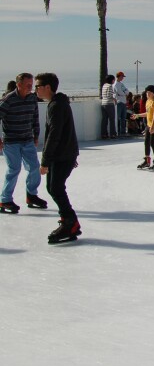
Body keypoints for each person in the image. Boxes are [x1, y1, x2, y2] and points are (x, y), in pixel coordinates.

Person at [34, 73, 82, 243]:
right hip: (63, 154)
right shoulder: (57, 103)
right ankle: (69, 222)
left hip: (61, 155)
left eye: (38, 86)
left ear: (48, 87)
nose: (36, 90)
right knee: (53, 188)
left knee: (55, 188)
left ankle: (70, 223)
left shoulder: (57, 105)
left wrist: (45, 161)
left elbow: (55, 134)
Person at [0, 72, 47, 213]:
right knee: (14, 169)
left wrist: (36, 135)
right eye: (27, 85)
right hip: (11, 142)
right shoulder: (8, 100)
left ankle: (31, 196)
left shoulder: (32, 98)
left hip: (27, 140)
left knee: (34, 167)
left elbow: (35, 117)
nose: (30, 88)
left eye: (31, 85)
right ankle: (5, 200)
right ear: (18, 85)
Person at [131, 85, 154, 169]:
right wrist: (137, 115)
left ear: (153, 93)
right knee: (146, 142)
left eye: (149, 92)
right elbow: (148, 114)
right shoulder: (148, 101)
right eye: (146, 92)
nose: (147, 94)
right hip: (149, 125)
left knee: (153, 142)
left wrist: (152, 127)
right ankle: (147, 160)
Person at [100, 74, 117, 139]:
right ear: (112, 80)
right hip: (109, 104)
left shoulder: (104, 85)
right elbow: (109, 95)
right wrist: (114, 99)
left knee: (104, 119)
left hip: (103, 103)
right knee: (112, 119)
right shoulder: (110, 86)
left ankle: (104, 134)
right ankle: (113, 134)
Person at [113, 71, 129, 137]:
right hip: (119, 102)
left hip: (124, 102)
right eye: (122, 76)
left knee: (123, 118)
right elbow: (120, 92)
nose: (123, 78)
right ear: (119, 76)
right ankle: (117, 131)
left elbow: (127, 91)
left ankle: (123, 131)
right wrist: (124, 93)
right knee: (118, 117)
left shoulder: (121, 84)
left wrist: (125, 93)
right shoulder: (116, 84)